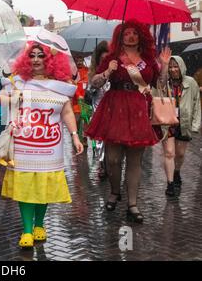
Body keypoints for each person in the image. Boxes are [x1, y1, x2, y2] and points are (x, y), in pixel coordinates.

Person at [0, 42, 84, 248]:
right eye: (33, 56)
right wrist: (11, 98)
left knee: (43, 185)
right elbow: (0, 97)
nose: (36, 59)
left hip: (49, 147)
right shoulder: (18, 82)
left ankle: (39, 225)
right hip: (23, 145)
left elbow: (67, 112)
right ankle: (27, 229)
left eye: (41, 56)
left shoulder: (60, 85)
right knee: (26, 186)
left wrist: (75, 135)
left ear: (50, 60)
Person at [86, 19, 171, 223]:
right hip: (115, 108)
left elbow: (160, 83)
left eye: (135, 33)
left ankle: (133, 204)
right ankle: (115, 191)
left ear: (140, 36)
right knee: (113, 159)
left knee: (135, 161)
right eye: (127, 33)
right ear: (120, 36)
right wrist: (108, 71)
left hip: (138, 109)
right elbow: (94, 83)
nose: (131, 36)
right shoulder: (113, 58)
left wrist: (165, 65)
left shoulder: (149, 60)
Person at [155, 56, 200, 196]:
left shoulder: (191, 82)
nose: (173, 69)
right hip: (167, 121)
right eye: (171, 67)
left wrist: (195, 125)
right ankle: (170, 184)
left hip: (183, 122)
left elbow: (196, 103)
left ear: (181, 67)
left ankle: (177, 172)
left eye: (176, 66)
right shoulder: (163, 82)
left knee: (180, 154)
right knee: (169, 153)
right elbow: (155, 95)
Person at [87, 41, 110, 179]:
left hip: (114, 110)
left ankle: (112, 164)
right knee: (101, 140)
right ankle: (102, 164)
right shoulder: (94, 73)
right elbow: (90, 89)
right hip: (99, 110)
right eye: (102, 59)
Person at [72, 55, 89, 146]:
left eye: (81, 59)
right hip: (76, 101)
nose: (79, 62)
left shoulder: (87, 70)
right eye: (77, 60)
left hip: (86, 99)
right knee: (77, 120)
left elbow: (89, 82)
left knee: (86, 119)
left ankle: (85, 138)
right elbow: (72, 84)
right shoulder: (73, 72)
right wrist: (78, 95)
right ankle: (76, 137)